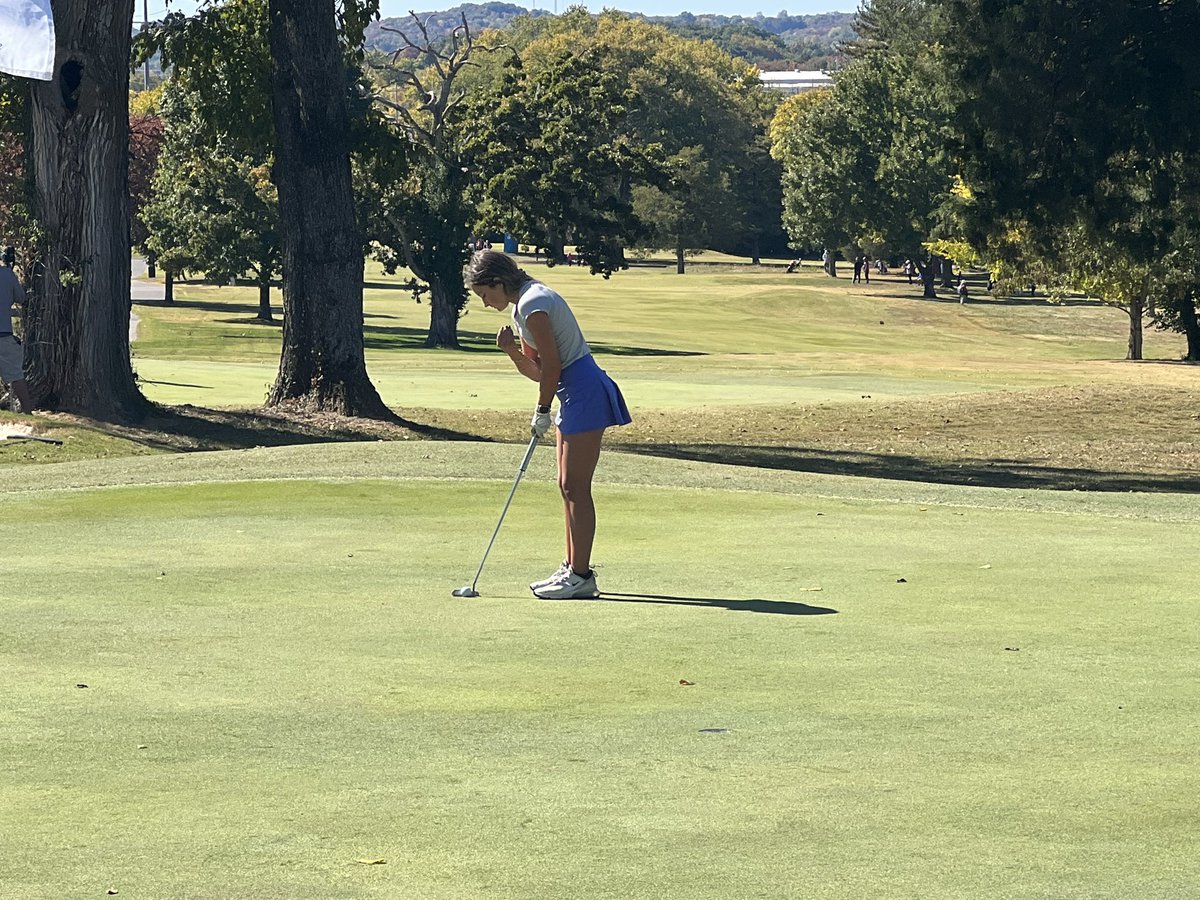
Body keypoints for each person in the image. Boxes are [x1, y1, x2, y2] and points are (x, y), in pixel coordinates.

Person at [466, 249, 632, 600]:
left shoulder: (533, 303)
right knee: (566, 486)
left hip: (584, 391)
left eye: (484, 294)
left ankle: (582, 575)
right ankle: (573, 568)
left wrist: (542, 408)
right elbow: (538, 371)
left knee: (575, 486)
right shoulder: (521, 307)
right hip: (571, 393)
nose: (484, 302)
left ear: (497, 282)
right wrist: (511, 351)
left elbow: (553, 367)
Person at [0, 247, 33, 413]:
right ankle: (28, 411)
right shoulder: (7, 275)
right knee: (16, 375)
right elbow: (21, 298)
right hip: (4, 333)